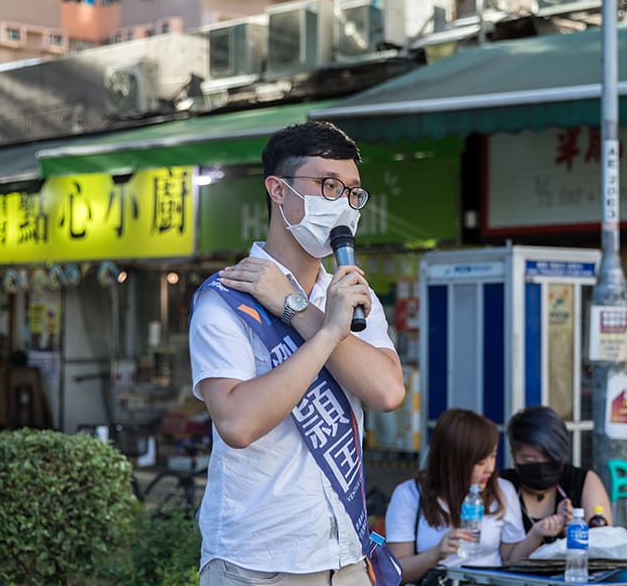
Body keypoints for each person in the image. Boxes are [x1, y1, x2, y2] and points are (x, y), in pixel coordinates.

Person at [188, 121, 406, 585]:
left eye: (353, 192)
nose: (343, 204)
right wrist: (327, 335)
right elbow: (237, 423)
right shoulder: (227, 297)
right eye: (328, 186)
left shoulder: (350, 295)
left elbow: (388, 392)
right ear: (278, 190)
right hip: (258, 563)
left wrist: (301, 311)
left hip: (347, 559)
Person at [384, 409, 554, 584]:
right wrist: (435, 554)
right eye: (480, 462)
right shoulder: (409, 494)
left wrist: (536, 534)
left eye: (493, 456)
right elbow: (395, 572)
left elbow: (510, 559)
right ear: (453, 461)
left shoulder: (503, 490)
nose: (489, 468)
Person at [499, 405, 612, 541]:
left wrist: (571, 532)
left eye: (549, 457)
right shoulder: (502, 486)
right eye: (529, 459)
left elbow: (602, 542)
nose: (540, 465)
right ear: (513, 454)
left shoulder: (583, 482)